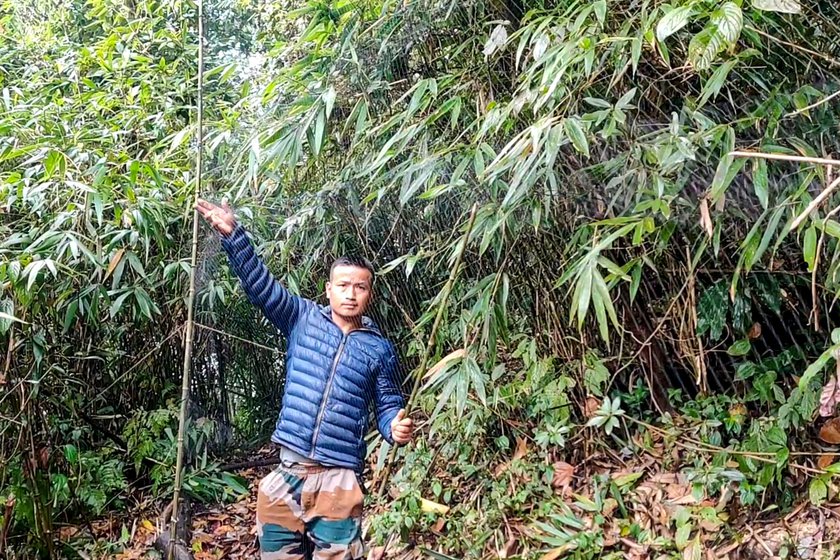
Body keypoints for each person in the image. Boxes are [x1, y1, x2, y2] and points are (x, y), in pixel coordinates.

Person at [196, 198, 413, 560]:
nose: (350, 293)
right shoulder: (303, 318)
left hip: (339, 479)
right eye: (343, 285)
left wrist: (395, 428)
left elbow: (388, 404)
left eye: (360, 287)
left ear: (369, 295)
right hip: (288, 471)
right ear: (328, 290)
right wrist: (234, 236)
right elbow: (262, 287)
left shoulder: (379, 349)